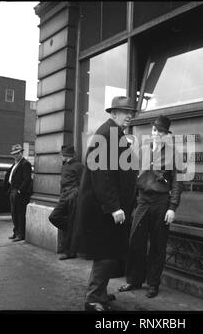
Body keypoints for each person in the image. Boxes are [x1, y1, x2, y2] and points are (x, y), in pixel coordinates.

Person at [74, 96, 137, 312]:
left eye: (131, 112)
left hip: (107, 208)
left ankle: (99, 293)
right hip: (105, 210)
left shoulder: (113, 133)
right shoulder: (108, 133)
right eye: (124, 112)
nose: (129, 116)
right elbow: (102, 175)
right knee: (106, 254)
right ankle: (93, 300)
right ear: (113, 113)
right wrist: (114, 206)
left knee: (107, 253)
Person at [118, 115, 183, 298]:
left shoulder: (174, 153)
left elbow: (178, 182)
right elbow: (131, 175)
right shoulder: (141, 150)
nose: (156, 134)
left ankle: (153, 283)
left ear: (166, 134)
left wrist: (172, 207)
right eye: (154, 130)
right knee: (135, 241)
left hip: (161, 202)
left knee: (158, 244)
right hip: (143, 200)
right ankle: (134, 280)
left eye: (160, 131)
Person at [48, 145, 84, 260]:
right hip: (64, 197)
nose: (61, 156)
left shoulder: (79, 166)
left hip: (73, 198)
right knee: (54, 217)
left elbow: (83, 184)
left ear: (66, 155)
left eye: (62, 154)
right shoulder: (65, 166)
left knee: (67, 222)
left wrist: (74, 194)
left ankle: (69, 252)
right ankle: (72, 227)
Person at [4, 144, 32, 242]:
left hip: (19, 192)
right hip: (12, 190)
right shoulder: (15, 163)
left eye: (17, 153)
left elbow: (27, 179)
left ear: (21, 153)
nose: (15, 155)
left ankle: (21, 235)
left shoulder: (25, 164)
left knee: (20, 214)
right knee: (13, 213)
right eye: (14, 154)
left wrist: (20, 190)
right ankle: (16, 232)